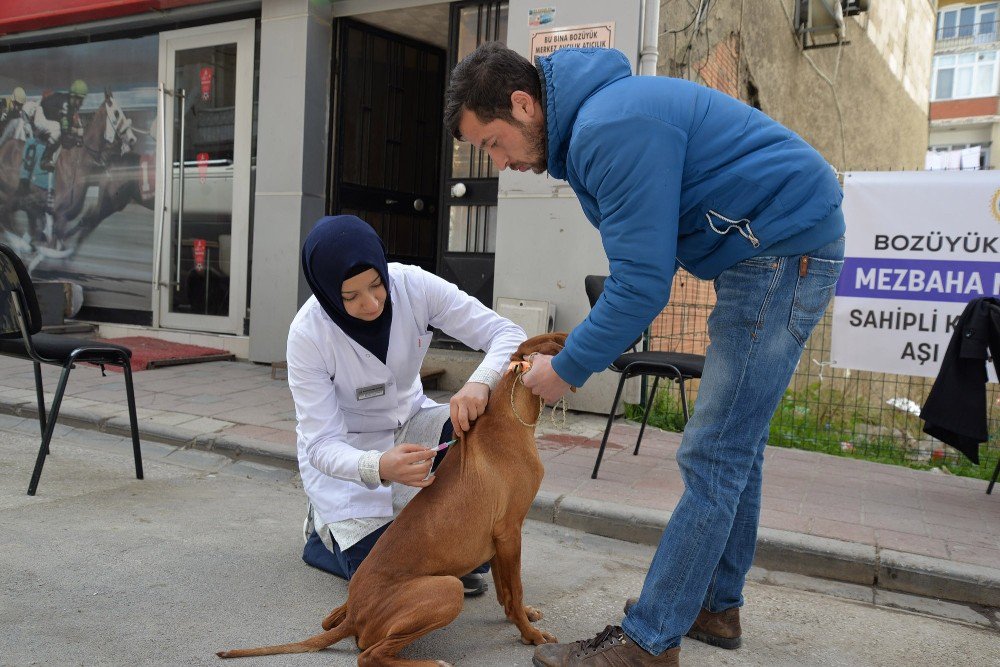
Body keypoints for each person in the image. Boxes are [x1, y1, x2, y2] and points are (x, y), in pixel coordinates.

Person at [445, 43, 845, 665]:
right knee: (735, 443)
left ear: (524, 105)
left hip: (782, 250)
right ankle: (715, 604)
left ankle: (649, 642)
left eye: (495, 142)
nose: (498, 162)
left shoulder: (610, 127)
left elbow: (641, 285)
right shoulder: (594, 129)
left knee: (715, 451)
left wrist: (568, 366)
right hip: (769, 250)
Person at [286, 214, 526, 596]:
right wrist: (378, 465)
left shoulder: (413, 286)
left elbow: (508, 334)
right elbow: (319, 445)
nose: (371, 303)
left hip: (412, 421)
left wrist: (480, 382)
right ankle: (324, 537)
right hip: (351, 450)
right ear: (329, 292)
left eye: (376, 284)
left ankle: (445, 536)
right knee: (386, 577)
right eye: (350, 296)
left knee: (477, 423)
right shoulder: (307, 335)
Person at [37, 79, 89, 171]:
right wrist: (77, 134)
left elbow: (68, 128)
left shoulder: (70, 105)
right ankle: (45, 159)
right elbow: (65, 133)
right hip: (39, 115)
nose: (81, 103)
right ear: (74, 97)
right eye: (80, 99)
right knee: (57, 129)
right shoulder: (66, 105)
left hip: (47, 114)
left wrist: (76, 133)